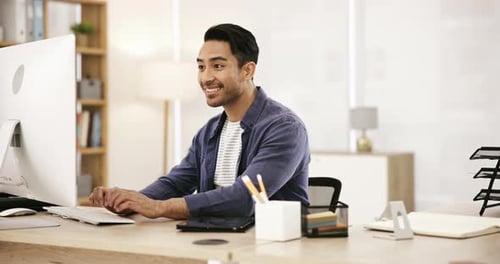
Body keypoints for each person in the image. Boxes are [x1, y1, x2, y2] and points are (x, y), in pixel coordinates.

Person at [89, 23, 310, 219]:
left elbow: (245, 198)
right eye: (201, 67)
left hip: (269, 248)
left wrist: (158, 207)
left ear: (247, 70)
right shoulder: (210, 130)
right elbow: (176, 182)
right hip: (213, 241)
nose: (206, 77)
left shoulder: (284, 129)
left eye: (218, 66)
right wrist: (129, 201)